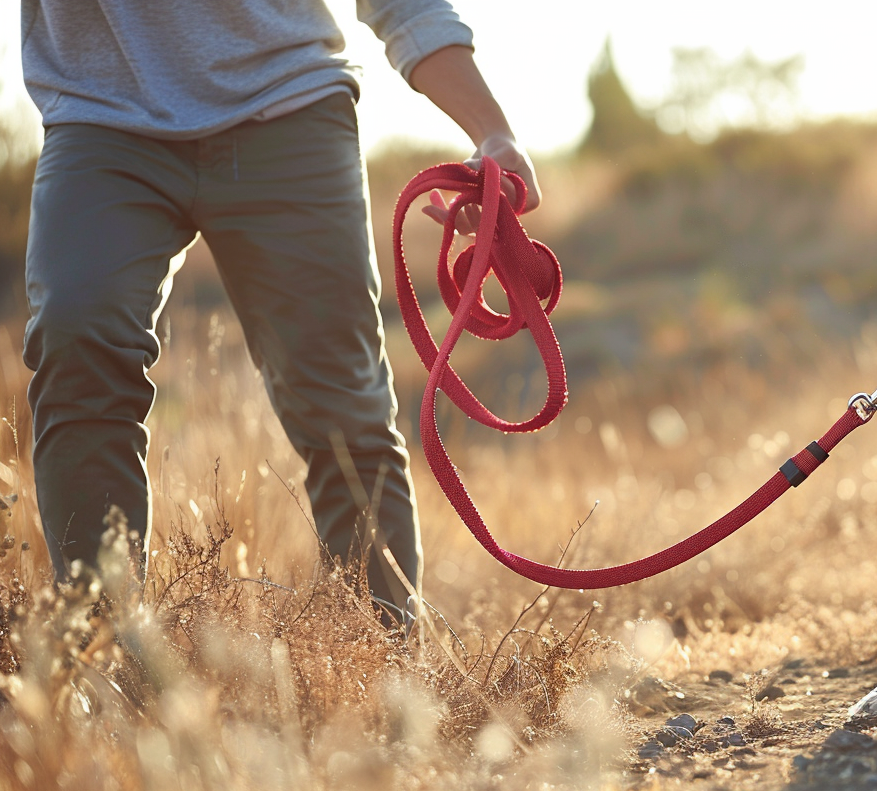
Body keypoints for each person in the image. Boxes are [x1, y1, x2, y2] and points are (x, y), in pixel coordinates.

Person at [19, 1, 540, 626]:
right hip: (101, 121)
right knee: (76, 343)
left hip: (288, 114)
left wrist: (491, 130)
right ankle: (99, 652)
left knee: (342, 403)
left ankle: (384, 662)